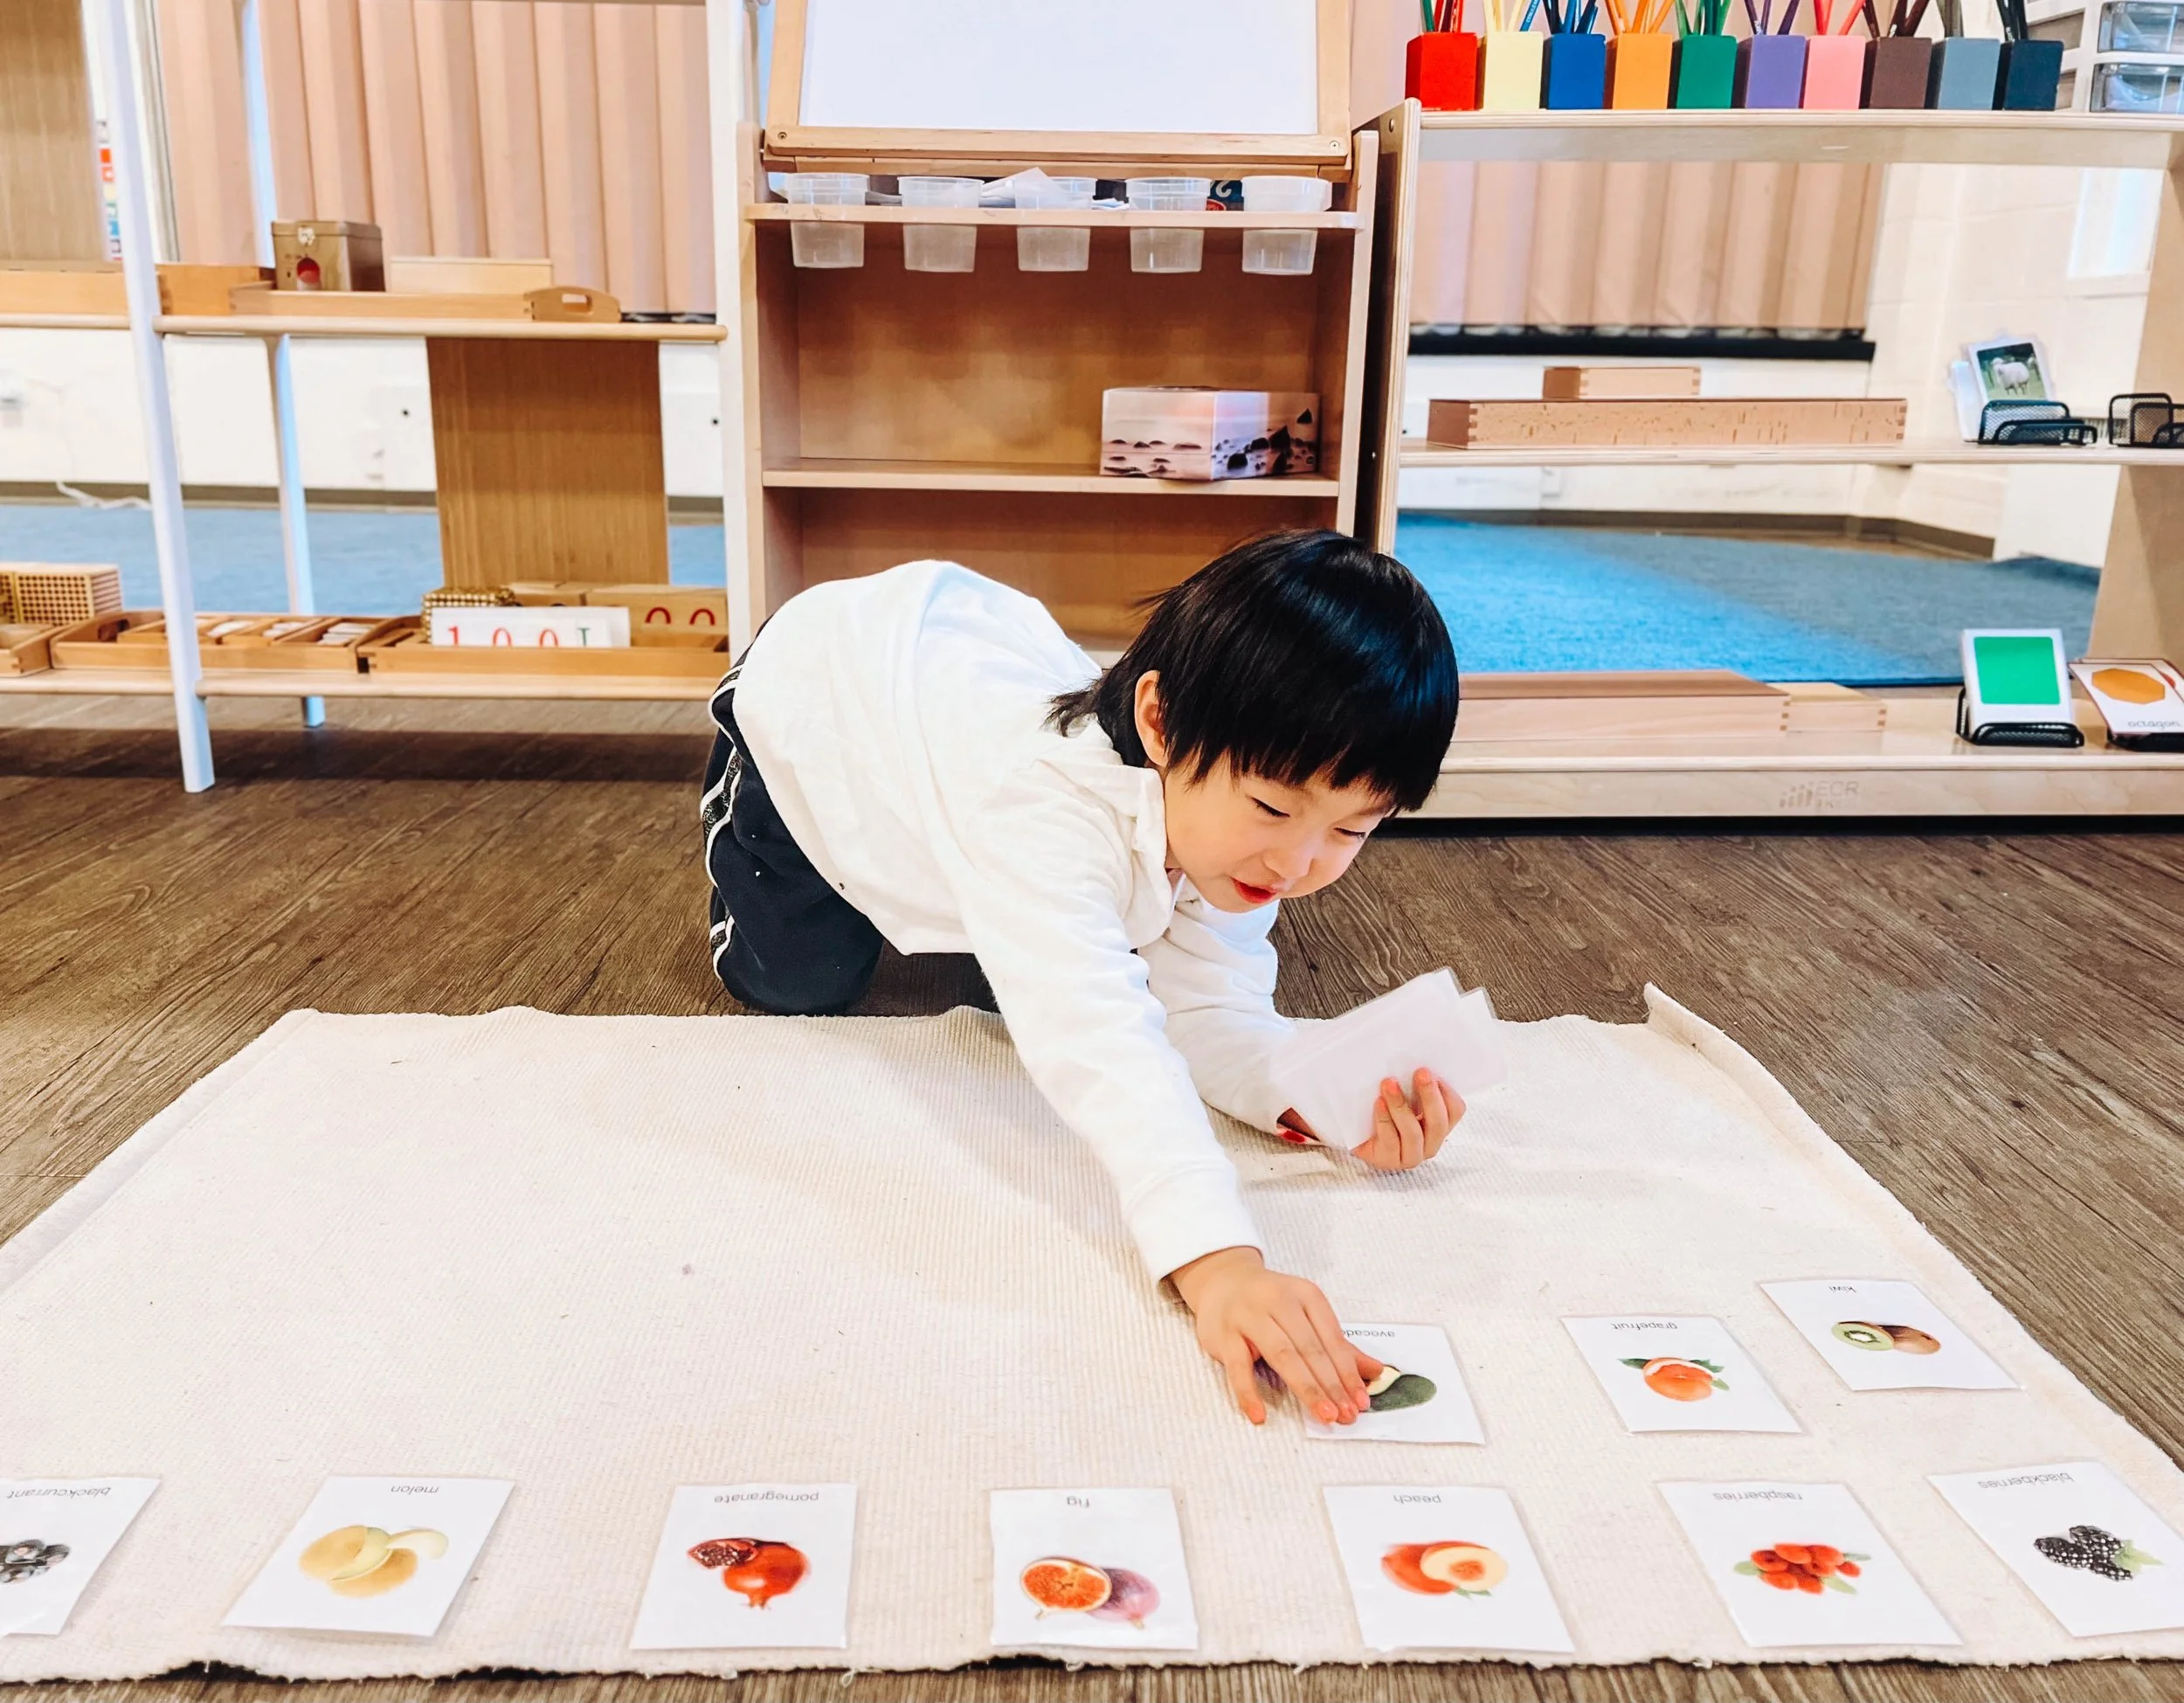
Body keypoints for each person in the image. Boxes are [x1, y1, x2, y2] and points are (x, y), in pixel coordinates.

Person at [701, 530, 1463, 1426]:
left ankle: (1001, 904)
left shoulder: (1242, 838)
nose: (1298, 860)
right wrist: (1217, 1260)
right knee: (799, 983)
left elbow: (1208, 1001)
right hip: (821, 691)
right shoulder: (1043, 814)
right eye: (1272, 806)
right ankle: (748, 818)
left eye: (1351, 828)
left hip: (962, 695)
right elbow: (1105, 1045)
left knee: (1042, 958)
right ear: (1161, 721)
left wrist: (1308, 1094)